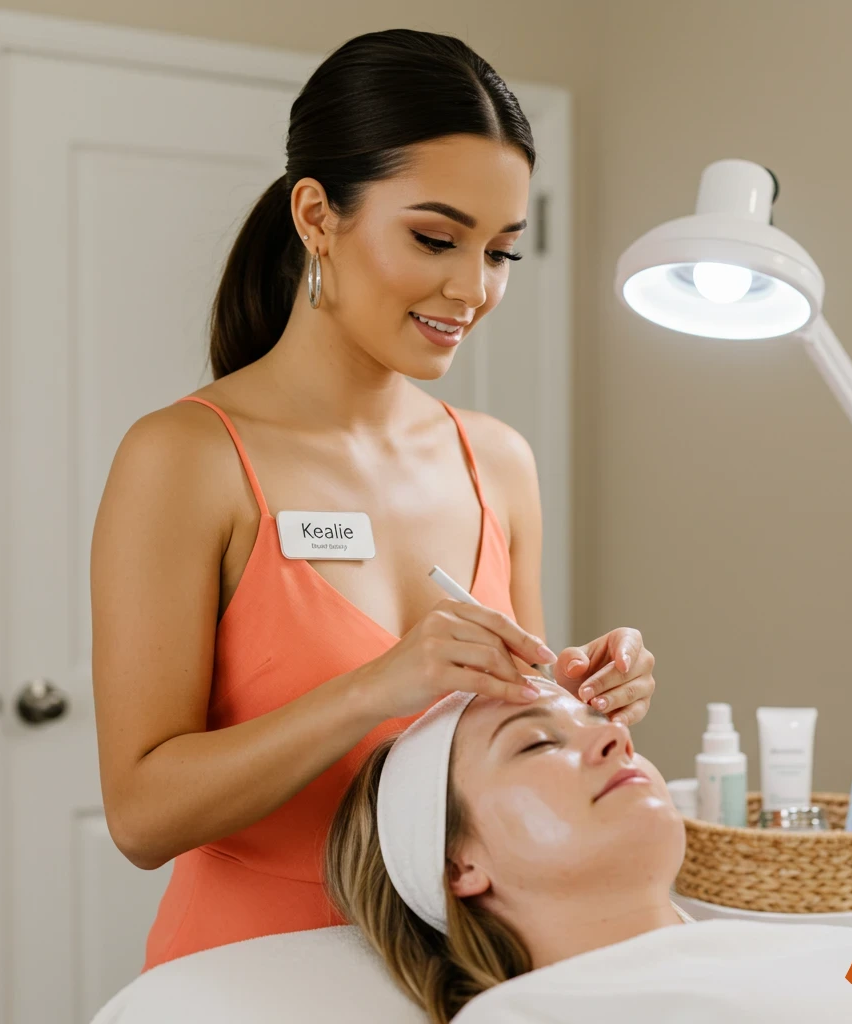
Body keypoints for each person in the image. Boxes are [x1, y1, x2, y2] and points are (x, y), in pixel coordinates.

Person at [89, 28, 658, 973]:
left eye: (502, 252)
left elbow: (510, 734)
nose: (471, 288)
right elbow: (142, 815)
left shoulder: (498, 462)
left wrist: (579, 692)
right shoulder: (187, 459)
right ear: (318, 215)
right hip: (252, 975)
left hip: (466, 974)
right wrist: (378, 687)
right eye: (435, 238)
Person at [324, 678, 852, 1024]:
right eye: (534, 743)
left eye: (595, 720)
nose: (614, 739)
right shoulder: (524, 1018)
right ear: (457, 865)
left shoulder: (834, 953)